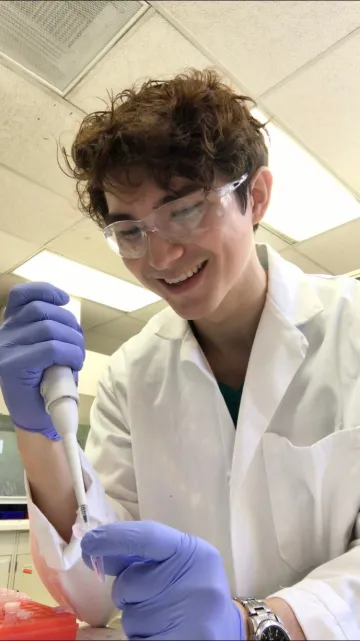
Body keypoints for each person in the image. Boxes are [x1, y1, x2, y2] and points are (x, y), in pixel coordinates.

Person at [0, 69, 359, 640]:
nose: (160, 255)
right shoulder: (129, 375)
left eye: (185, 208)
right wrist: (37, 434)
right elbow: (95, 592)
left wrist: (256, 623)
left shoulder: (353, 326)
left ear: (256, 196)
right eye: (130, 231)